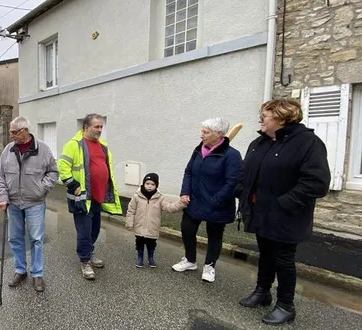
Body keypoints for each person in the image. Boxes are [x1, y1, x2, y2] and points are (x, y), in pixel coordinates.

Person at [235, 100, 330, 325]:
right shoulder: (259, 143)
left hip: (287, 215)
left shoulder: (308, 143)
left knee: (283, 260)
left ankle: (286, 305)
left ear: (282, 118)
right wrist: (241, 190)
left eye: (265, 116)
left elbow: (316, 182)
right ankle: (262, 292)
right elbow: (245, 172)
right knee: (265, 254)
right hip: (260, 212)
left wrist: (285, 203)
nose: (260, 120)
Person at [172, 118, 242, 283]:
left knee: (214, 236)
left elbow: (232, 182)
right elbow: (189, 171)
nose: (201, 135)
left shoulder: (232, 155)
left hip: (217, 204)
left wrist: (215, 201)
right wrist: (185, 192)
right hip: (194, 200)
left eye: (206, 132)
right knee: (187, 229)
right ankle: (190, 260)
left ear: (218, 135)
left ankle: (209, 266)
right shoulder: (198, 150)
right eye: (202, 131)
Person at [0, 116, 58, 293]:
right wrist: (2, 195)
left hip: (35, 202)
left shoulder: (42, 149)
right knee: (15, 238)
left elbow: (53, 172)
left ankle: (37, 273)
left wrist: (41, 188)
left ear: (25, 131)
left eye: (14, 132)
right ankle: (20, 270)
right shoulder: (8, 150)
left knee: (36, 239)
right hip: (13, 202)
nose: (11, 135)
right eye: (10, 132)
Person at [58, 113, 122, 280]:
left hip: (97, 197)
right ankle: (85, 260)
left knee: (94, 229)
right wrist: (72, 184)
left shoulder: (103, 145)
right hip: (82, 197)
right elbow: (62, 164)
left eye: (101, 127)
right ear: (86, 127)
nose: (100, 130)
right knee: (84, 231)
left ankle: (89, 253)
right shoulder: (75, 144)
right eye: (96, 126)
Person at [125, 173, 186, 268]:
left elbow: (169, 207)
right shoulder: (137, 196)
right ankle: (140, 258)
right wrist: (129, 222)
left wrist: (181, 203)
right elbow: (131, 210)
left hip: (152, 227)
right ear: (143, 184)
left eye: (152, 184)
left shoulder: (160, 198)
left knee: (151, 244)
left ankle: (151, 258)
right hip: (139, 226)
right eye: (147, 183)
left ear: (156, 185)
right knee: (139, 243)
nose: (149, 186)